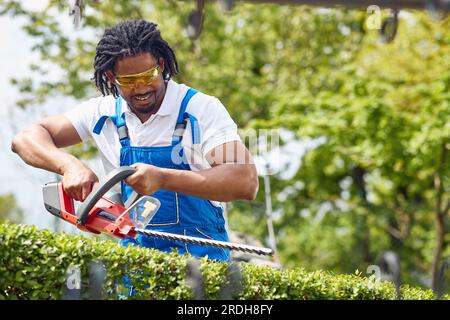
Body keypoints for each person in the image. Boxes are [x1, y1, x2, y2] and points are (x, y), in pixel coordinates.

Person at [11, 19, 258, 262]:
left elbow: (244, 180)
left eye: (148, 75)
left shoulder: (200, 108)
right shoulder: (102, 112)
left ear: (161, 65)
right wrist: (69, 166)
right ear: (111, 76)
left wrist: (163, 178)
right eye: (128, 81)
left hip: (202, 261)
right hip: (136, 264)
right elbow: (25, 139)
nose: (140, 88)